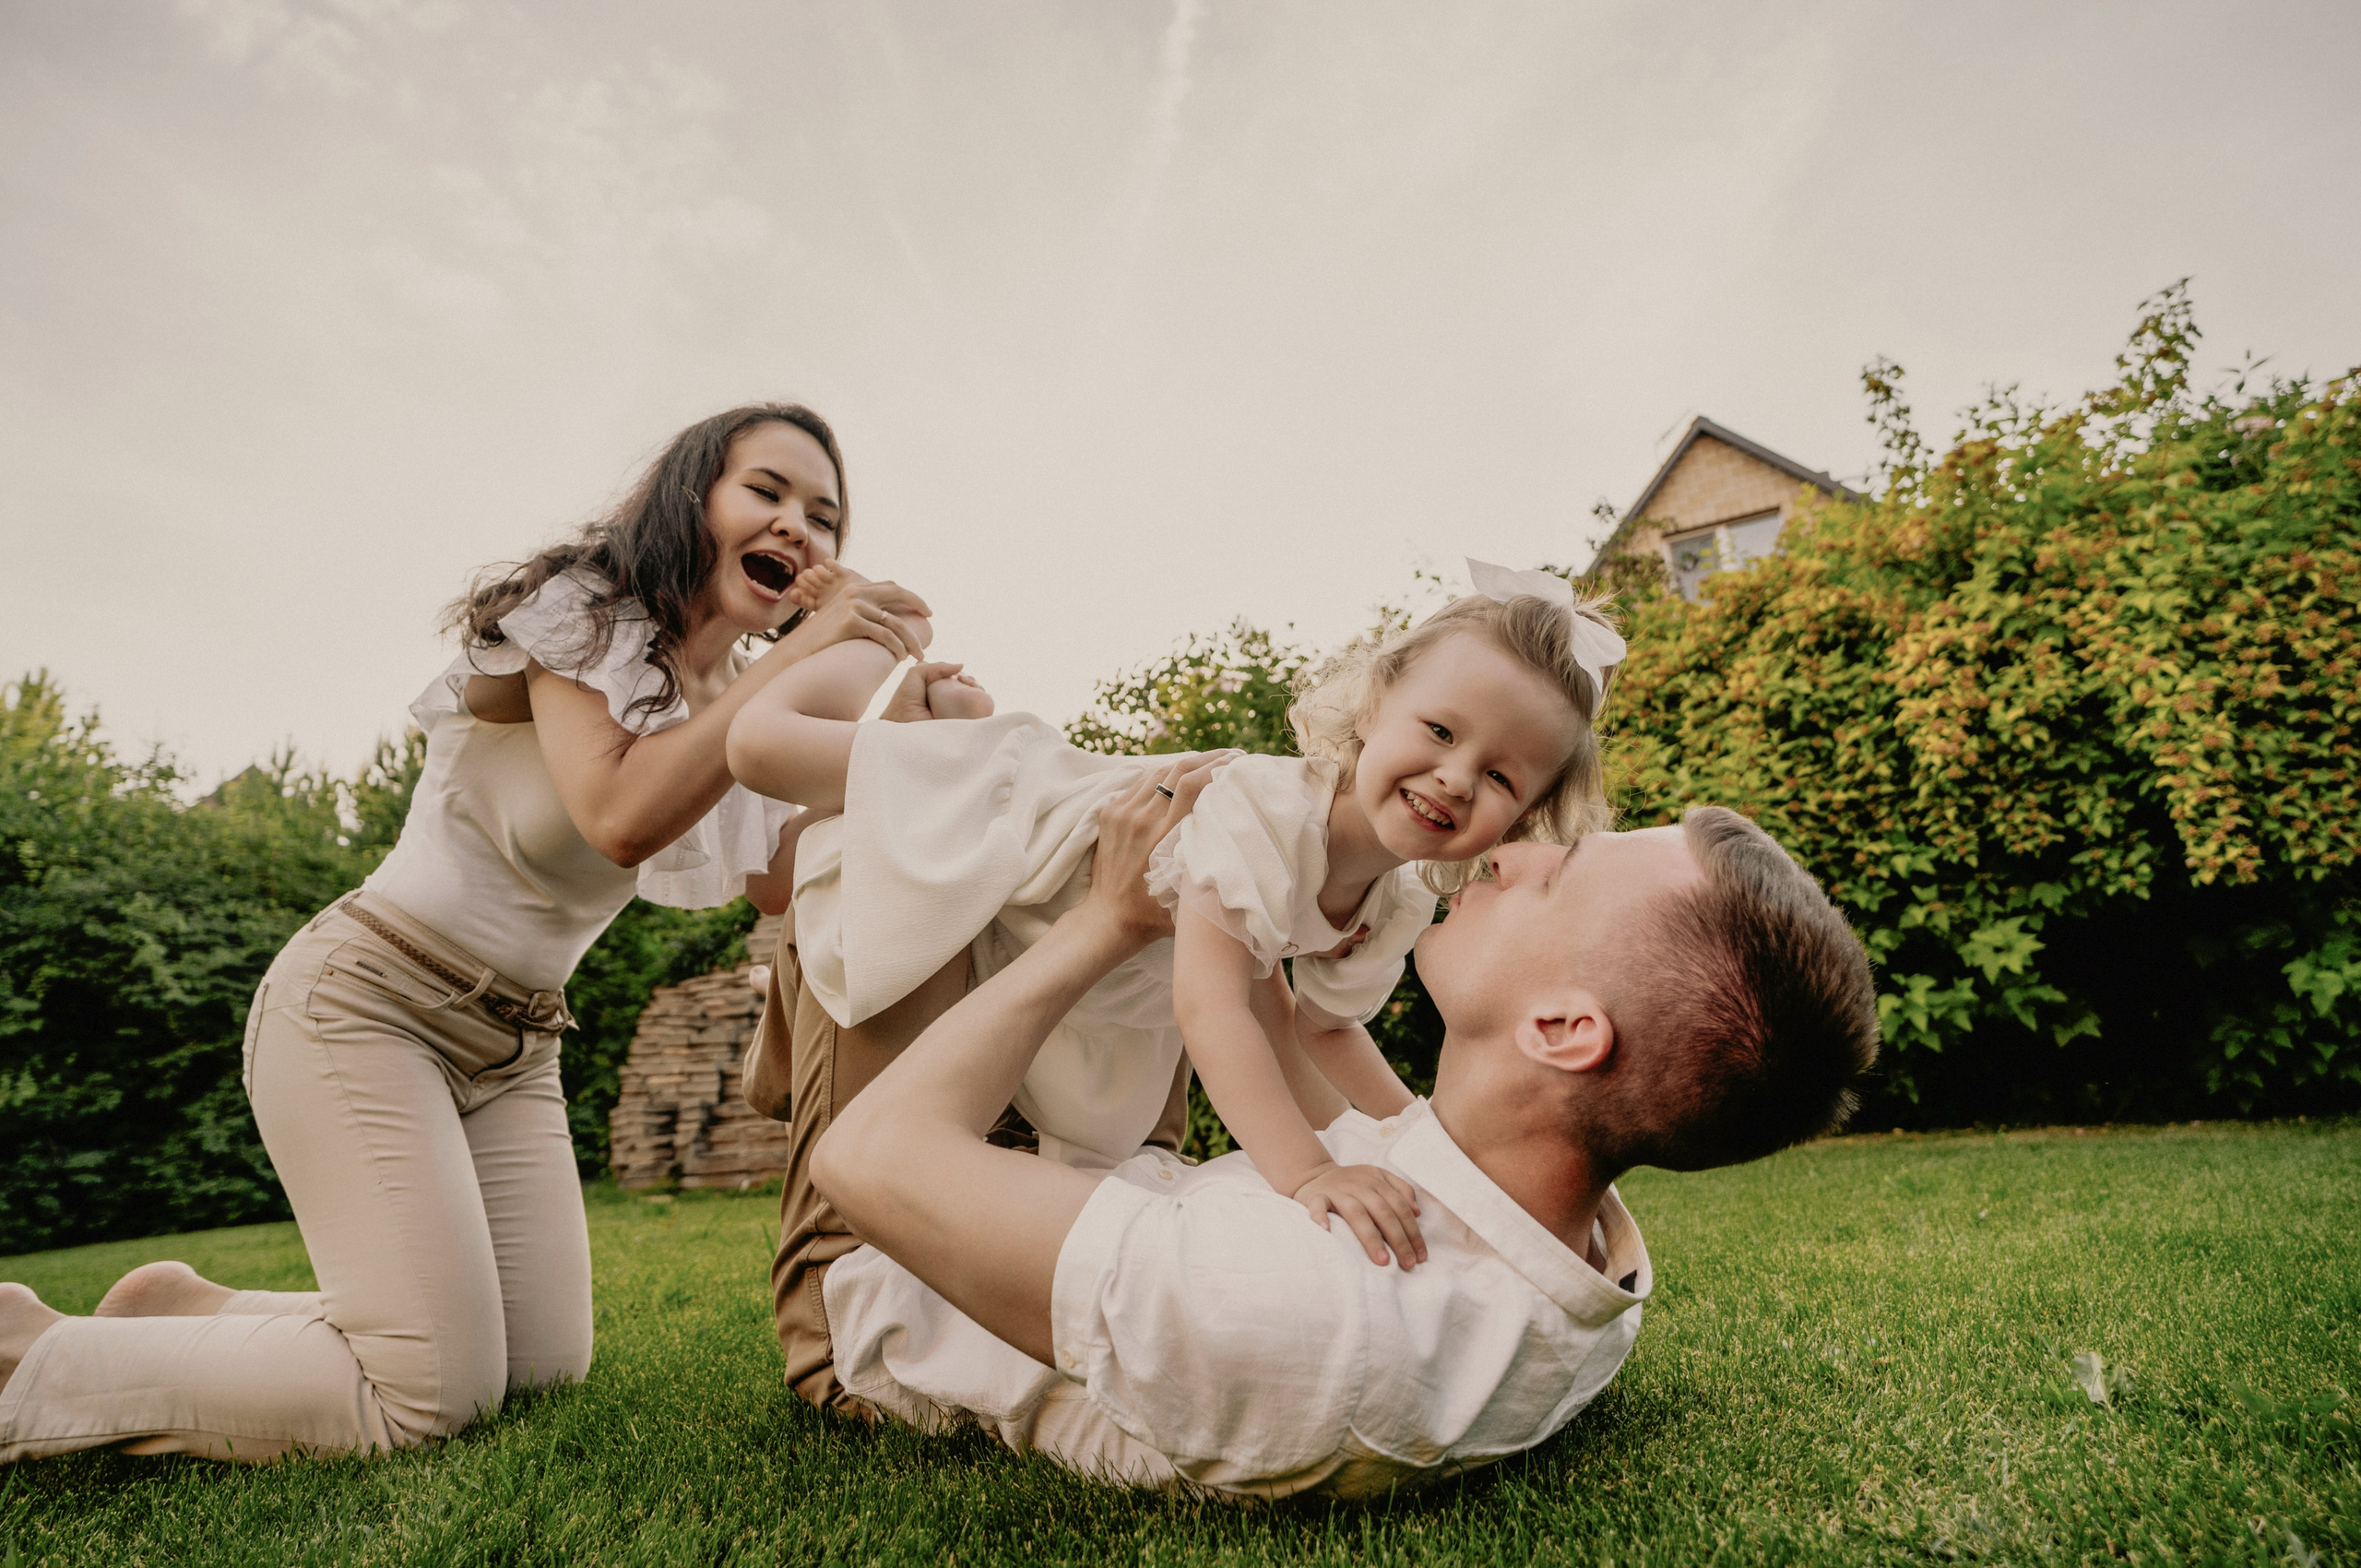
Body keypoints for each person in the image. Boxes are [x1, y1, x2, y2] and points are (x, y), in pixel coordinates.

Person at [0, 402, 931, 1464]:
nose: (798, 528)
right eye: (765, 492)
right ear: (692, 496)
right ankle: (30, 1350)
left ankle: (183, 1309)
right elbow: (621, 814)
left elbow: (774, 881)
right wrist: (804, 657)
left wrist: (903, 733)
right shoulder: (588, 610)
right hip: (367, 1004)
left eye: (825, 516)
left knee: (535, 1372)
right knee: (425, 1397)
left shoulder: (729, 702)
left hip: (517, 1049)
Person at [799, 763, 1881, 1498]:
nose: (1509, 853)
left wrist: (1109, 920)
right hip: (1126, 1185)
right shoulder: (1562, 1228)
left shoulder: (1300, 1302)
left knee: (883, 852)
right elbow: (1301, 1031)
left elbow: (868, 1160)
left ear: (1561, 1029)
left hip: (879, 1286)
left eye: (1560, 873)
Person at [727, 561, 1626, 1276]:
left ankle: (933, 712)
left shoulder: (1395, 896)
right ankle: (862, 634)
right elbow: (1212, 1007)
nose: (1456, 776)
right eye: (1438, 730)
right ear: (1372, 705)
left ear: (1530, 815)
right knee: (761, 754)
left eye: (1502, 776)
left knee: (810, 866)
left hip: (1041, 935)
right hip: (1014, 812)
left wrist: (1417, 1141)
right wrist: (1307, 1172)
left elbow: (1322, 1026)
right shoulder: (1264, 812)